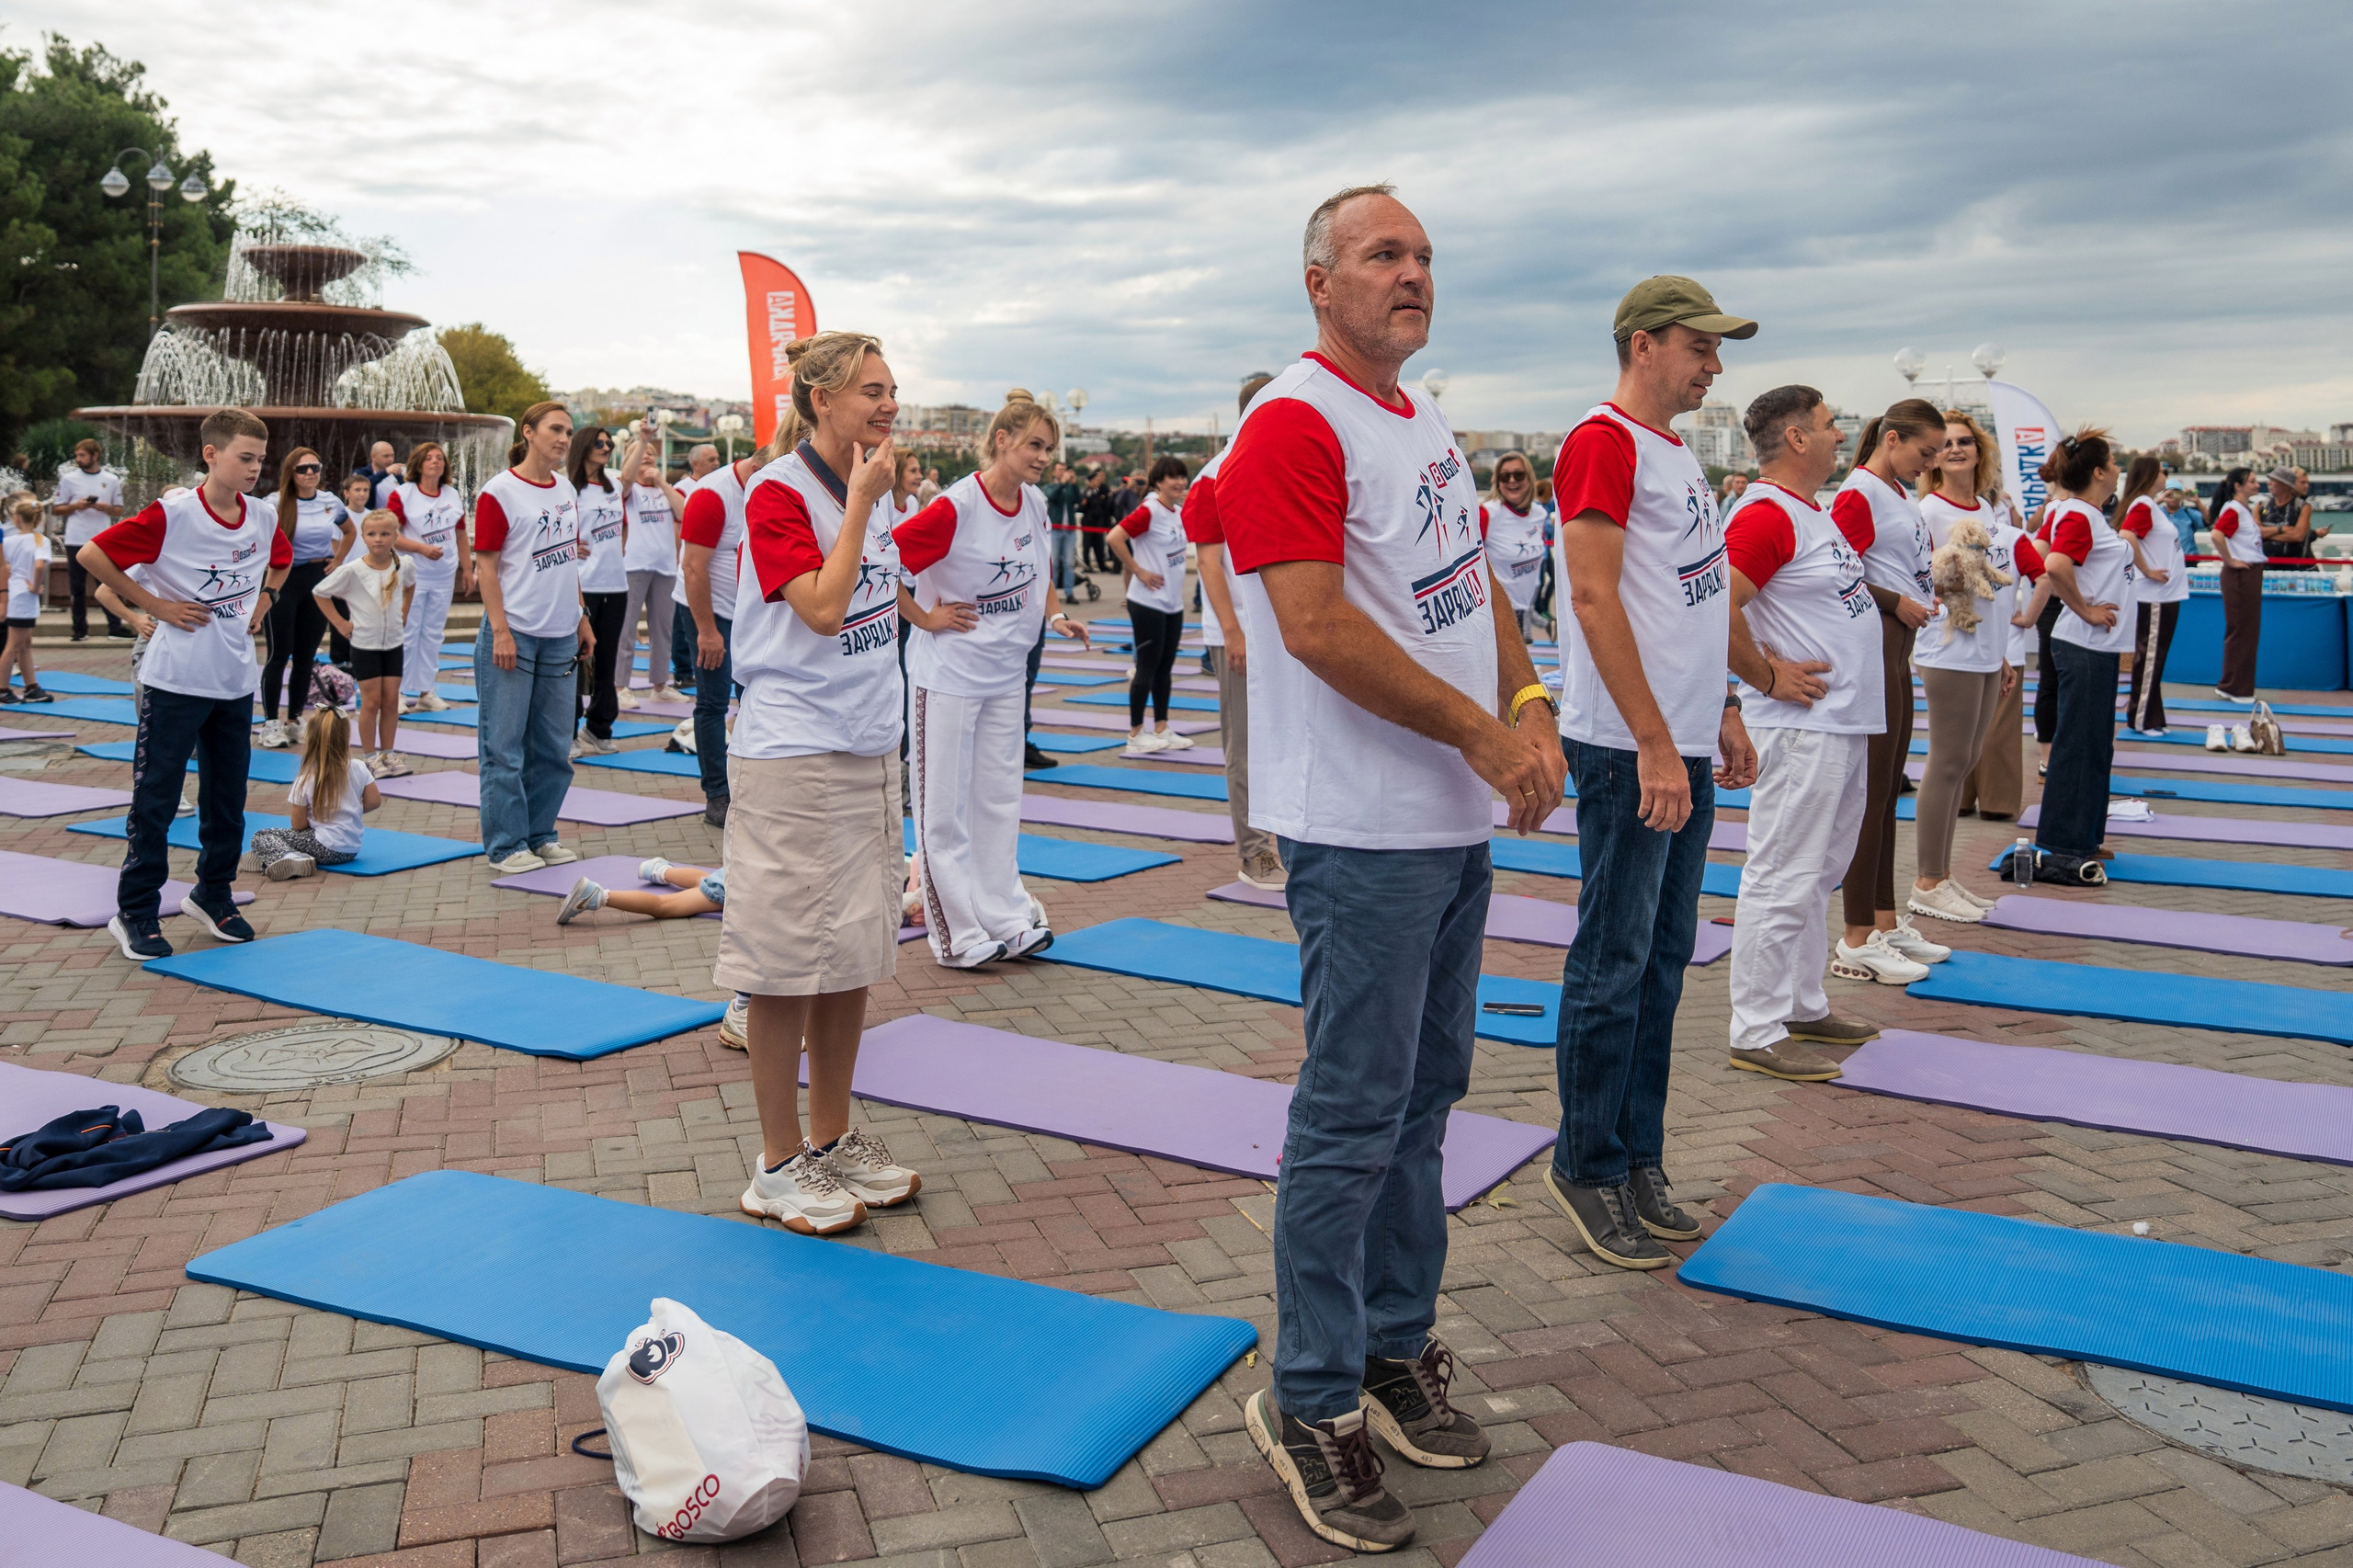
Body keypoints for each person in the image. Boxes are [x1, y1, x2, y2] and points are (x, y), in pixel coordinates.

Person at [1217, 185, 1563, 1553]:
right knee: (1355, 1113)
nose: (1411, 273)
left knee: (1430, 1093)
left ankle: (1391, 1345)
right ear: (1320, 283)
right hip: (1360, 829)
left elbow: (1471, 583)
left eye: (1422, 254)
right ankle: (1307, 1394)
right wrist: (1483, 732)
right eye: (1383, 254)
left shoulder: (1422, 422)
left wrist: (1526, 705)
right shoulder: (1291, 422)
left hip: (1446, 816)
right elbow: (1310, 625)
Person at [1548, 274, 1758, 1275]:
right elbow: (1593, 599)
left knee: (1665, 959)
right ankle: (1586, 1163)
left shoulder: (1677, 455)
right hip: (1627, 745)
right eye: (1699, 345)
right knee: (1612, 960)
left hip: (1679, 739)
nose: (1713, 364)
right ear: (1641, 345)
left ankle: (1638, 1159)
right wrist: (1653, 741)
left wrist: (1719, 709)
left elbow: (1694, 599)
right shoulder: (1603, 441)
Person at [728, 330, 924, 1235]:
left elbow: (887, 603)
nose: (886, 404)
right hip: (793, 755)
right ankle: (775, 1161)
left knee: (849, 951)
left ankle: (833, 1133)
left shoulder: (872, 486)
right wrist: (860, 504)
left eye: (890, 389)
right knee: (783, 962)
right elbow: (821, 605)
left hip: (867, 748)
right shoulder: (778, 492)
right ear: (818, 402)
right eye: (868, 391)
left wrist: (875, 499)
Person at [78, 408, 290, 960]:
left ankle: (213, 895)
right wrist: (155, 606)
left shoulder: (263, 516)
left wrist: (264, 600)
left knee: (229, 800)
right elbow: (90, 554)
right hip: (175, 679)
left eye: (261, 460)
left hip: (234, 680)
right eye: (245, 458)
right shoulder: (174, 513)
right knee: (157, 798)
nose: (254, 469)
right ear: (211, 455)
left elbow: (281, 562)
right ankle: (136, 912)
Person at [897, 393, 1093, 966]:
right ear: (1002, 440)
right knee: (945, 809)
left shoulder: (1033, 501)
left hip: (1007, 677)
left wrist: (1054, 615)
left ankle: (1004, 915)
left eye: (1050, 449)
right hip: (951, 676)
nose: (1043, 457)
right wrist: (927, 618)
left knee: (999, 803)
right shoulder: (955, 507)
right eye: (1034, 445)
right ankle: (955, 933)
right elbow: (883, 566)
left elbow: (1040, 570)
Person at [1722, 386, 1881, 1082]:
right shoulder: (1766, 515)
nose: (1839, 435)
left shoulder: (1809, 514)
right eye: (1828, 425)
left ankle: (1801, 1003)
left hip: (1838, 724)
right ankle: (1754, 1026)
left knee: (1818, 873)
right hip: (1801, 726)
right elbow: (1714, 601)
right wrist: (1763, 677)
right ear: (1795, 439)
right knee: (1782, 873)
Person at [1826, 399, 1949, 983]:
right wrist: (1893, 600)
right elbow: (1836, 573)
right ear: (1892, 438)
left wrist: (1919, 594)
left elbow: (1900, 566)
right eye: (1924, 453)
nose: (1929, 465)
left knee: (1887, 795)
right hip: (1873, 648)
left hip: (1899, 650)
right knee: (1870, 798)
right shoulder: (1860, 493)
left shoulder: (1896, 494)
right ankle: (1855, 937)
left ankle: (1883, 918)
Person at [1908, 412, 2040, 922]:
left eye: (1965, 442)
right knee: (1945, 764)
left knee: (1965, 762)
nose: (1957, 450)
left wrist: (2006, 653)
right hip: (1949, 652)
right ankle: (1926, 879)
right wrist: (1946, 578)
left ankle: (1941, 876)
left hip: (1989, 653)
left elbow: (2001, 589)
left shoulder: (1987, 509)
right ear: (1934, 455)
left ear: (1980, 451)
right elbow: (1917, 579)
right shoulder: (1928, 510)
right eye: (1947, 444)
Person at [473, 402, 595, 874]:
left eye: (569, 431)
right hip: (515, 633)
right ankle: (506, 845)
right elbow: (485, 566)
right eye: (555, 430)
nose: (564, 439)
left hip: (561, 634)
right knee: (503, 748)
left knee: (553, 748)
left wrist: (581, 618)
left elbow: (567, 561)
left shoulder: (565, 487)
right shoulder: (499, 492)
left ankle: (541, 834)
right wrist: (500, 631)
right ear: (528, 433)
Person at [1184, 374, 1286, 890]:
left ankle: (1286, 840)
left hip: (1288, 634)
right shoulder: (1214, 476)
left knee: (1286, 740)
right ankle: (1255, 854)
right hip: (1241, 635)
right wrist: (1233, 631)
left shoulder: (1275, 463)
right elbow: (1208, 561)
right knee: (1244, 745)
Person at [2027, 427, 2131, 882]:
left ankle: (2083, 837)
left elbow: (2038, 552)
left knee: (2094, 747)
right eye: (2114, 463)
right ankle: (2063, 846)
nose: (2119, 470)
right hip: (2084, 645)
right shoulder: (2079, 515)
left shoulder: (2073, 511)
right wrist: (2085, 609)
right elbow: (2053, 564)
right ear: (2098, 472)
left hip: (2093, 646)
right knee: (2079, 747)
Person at [677, 435, 757, 827]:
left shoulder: (769, 488)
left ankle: (753, 787)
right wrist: (707, 631)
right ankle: (717, 794)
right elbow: (693, 568)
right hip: (708, 611)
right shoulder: (713, 495)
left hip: (748, 613)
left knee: (755, 699)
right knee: (713, 701)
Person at [255, 447, 357, 748]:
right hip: (283, 582)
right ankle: (270, 723)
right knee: (278, 654)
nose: (310, 473)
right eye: (303, 469)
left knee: (305, 657)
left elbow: (349, 532)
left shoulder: (329, 501)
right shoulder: (274, 503)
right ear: (291, 473)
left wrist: (337, 560)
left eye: (315, 467)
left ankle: (295, 719)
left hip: (317, 581)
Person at [313, 509, 417, 777]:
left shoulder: (403, 565)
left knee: (392, 700)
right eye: (372, 534)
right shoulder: (353, 570)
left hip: (393, 644)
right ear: (364, 537)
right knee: (371, 702)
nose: (379, 540)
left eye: (385, 534)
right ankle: (370, 756)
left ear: (396, 535)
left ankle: (389, 753)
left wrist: (404, 609)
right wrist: (339, 623)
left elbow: (410, 585)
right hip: (365, 645)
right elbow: (320, 592)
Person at [1111, 457, 1194, 756]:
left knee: (1165, 667)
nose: (1179, 483)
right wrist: (1139, 570)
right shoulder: (1150, 511)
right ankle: (1135, 734)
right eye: (1173, 478)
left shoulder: (1178, 513)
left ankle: (1161, 727)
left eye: (1182, 477)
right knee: (1146, 666)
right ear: (1158, 481)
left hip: (1172, 603)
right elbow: (1115, 537)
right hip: (1147, 602)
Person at [247, 708, 380, 879]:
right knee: (291, 839)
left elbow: (298, 825)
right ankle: (275, 859)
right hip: (351, 849)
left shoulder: (306, 778)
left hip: (323, 847)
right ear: (346, 737)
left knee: (262, 835)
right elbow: (374, 801)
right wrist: (352, 807)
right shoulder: (358, 767)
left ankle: (290, 857)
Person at [387, 442, 470, 713]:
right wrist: (422, 548)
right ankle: (396, 692)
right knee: (407, 630)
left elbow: (460, 534)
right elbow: (392, 536)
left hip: (443, 574)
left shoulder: (452, 495)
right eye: (429, 458)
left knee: (433, 633)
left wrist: (467, 570)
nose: (436, 462)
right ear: (418, 464)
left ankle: (426, 691)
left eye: (440, 458)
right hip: (413, 574)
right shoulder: (402, 494)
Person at [616, 422, 687, 710]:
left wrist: (660, 481)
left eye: (651, 457)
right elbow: (626, 480)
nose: (647, 460)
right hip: (633, 565)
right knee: (626, 627)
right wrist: (641, 444)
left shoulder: (664, 489)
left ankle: (660, 685)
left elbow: (685, 513)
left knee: (663, 630)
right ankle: (621, 686)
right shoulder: (627, 489)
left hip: (665, 567)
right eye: (642, 456)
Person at [569, 425, 630, 755]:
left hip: (615, 584)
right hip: (582, 584)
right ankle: (567, 732)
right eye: (599, 443)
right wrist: (569, 547)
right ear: (584, 447)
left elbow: (623, 528)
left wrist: (614, 552)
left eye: (609, 443)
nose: (606, 448)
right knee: (577, 659)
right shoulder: (568, 488)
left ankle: (599, 727)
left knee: (607, 661)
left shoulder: (614, 485)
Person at [2116, 456, 2185, 733]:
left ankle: (2153, 715)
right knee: (2149, 657)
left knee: (2156, 657)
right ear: (2149, 475)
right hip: (2155, 594)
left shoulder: (2148, 504)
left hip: (2165, 594)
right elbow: (2127, 534)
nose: (2166, 475)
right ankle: (2141, 717)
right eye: (2162, 471)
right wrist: (2147, 570)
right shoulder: (2143, 505)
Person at [51, 438, 128, 640]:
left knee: (107, 583)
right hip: (76, 538)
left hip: (101, 539)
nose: (78, 459)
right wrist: (76, 506)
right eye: (77, 455)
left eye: (82, 455)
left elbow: (119, 509)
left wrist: (106, 508)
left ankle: (115, 627)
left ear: (95, 456)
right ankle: (79, 630)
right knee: (77, 587)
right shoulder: (69, 479)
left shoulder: (111, 480)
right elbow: (57, 508)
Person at [1482, 451, 1549, 641]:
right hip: (1498, 613)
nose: (1512, 481)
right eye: (1505, 476)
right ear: (1497, 480)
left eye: (1518, 475)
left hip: (1526, 606)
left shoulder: (1540, 514)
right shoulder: (1487, 513)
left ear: (1529, 478)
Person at [2209, 466, 2262, 702]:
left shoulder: (2242, 510)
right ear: (2238, 486)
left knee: (2245, 630)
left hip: (2248, 573)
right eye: (2252, 481)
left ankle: (2233, 684)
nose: (2257, 484)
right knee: (2242, 630)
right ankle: (2235, 687)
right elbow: (2216, 534)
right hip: (2241, 575)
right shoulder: (2235, 510)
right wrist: (2230, 561)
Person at [1, 494, 50, 700]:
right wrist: (36, 585)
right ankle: (3, 689)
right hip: (24, 598)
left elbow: (5, 566)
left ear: (17, 519)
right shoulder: (40, 540)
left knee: (24, 643)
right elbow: (40, 565)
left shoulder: (10, 541)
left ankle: (31, 686)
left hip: (16, 594)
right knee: (13, 645)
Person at [2260, 465, 2315, 570]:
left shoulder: (2302, 506)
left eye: (2273, 480)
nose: (2306, 486)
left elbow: (2298, 536)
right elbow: (2254, 533)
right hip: (2268, 566)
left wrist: (2266, 534)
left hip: (2297, 565)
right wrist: (2282, 529)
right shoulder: (2261, 506)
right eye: (2303, 483)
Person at [1043, 461, 1083, 594]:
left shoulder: (1070, 488)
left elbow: (1079, 500)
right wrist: (1062, 484)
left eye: (1065, 470)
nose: (1063, 472)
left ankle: (1069, 592)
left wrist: (1074, 484)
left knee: (1069, 563)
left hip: (1069, 530)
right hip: (1055, 530)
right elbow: (1051, 497)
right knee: (1053, 563)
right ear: (1054, 472)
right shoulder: (1049, 487)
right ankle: (1052, 594)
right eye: (1060, 470)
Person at [1077, 468, 1117, 574]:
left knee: (1099, 544)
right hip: (1088, 521)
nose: (1098, 481)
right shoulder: (1087, 492)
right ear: (1091, 481)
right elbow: (1081, 507)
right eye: (1096, 479)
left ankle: (1101, 564)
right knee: (1087, 544)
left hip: (1098, 522)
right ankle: (1087, 565)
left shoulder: (1101, 491)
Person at [354, 440, 403, 509]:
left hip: (393, 516)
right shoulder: (362, 473)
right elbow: (363, 485)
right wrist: (385, 473)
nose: (390, 459)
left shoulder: (396, 474)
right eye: (386, 456)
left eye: (392, 455)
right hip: (371, 516)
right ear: (373, 456)